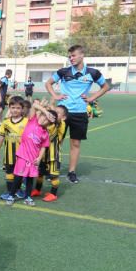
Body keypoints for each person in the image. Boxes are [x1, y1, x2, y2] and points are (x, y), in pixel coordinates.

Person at [45, 44, 110, 184]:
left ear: (82, 55)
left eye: (73, 55)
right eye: (69, 56)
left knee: (75, 143)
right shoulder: (63, 71)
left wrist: (92, 98)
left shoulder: (93, 73)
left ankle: (71, 172)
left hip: (80, 113)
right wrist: (55, 96)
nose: (71, 58)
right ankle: (52, 168)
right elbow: (48, 83)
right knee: (57, 141)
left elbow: (105, 87)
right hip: (62, 112)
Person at [6, 102, 57, 206]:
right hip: (22, 156)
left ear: (50, 123)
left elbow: (44, 146)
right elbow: (34, 105)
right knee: (18, 178)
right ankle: (11, 195)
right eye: (43, 116)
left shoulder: (45, 133)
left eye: (47, 119)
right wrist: (46, 111)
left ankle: (28, 197)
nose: (43, 119)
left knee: (30, 179)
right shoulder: (33, 121)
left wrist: (39, 158)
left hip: (33, 159)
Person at [32, 104, 68, 202]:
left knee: (53, 175)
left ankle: (53, 194)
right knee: (40, 173)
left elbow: (57, 119)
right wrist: (45, 110)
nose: (54, 114)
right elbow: (34, 107)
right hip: (42, 156)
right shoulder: (44, 124)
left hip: (53, 156)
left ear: (64, 117)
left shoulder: (59, 124)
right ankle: (37, 190)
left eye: (58, 113)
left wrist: (51, 111)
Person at [0, 96, 28, 201]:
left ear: (22, 109)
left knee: (20, 173)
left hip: (22, 154)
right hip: (9, 154)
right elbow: (1, 136)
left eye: (18, 108)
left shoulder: (26, 122)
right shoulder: (6, 122)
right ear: (9, 108)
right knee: (9, 172)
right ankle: (10, 191)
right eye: (13, 107)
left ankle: (18, 190)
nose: (15, 110)